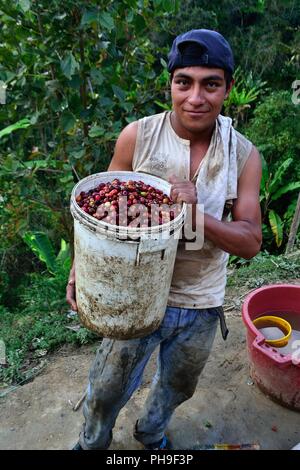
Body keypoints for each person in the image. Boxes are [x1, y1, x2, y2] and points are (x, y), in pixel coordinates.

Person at [66, 29, 262, 450]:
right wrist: (79, 269)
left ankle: (151, 434)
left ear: (228, 87)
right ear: (170, 85)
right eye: (183, 82)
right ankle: (91, 444)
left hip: (201, 300)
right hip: (133, 292)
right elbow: (96, 215)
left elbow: (250, 241)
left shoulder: (243, 156)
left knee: (178, 385)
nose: (195, 97)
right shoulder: (138, 137)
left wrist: (196, 216)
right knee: (106, 388)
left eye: (211, 84)